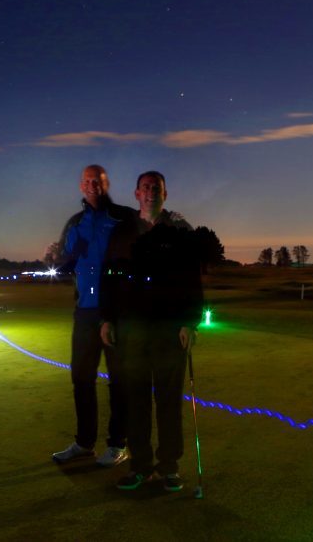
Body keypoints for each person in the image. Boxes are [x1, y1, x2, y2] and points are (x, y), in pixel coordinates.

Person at [100, 170, 204, 491]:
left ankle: (169, 466)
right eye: (145, 188)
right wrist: (107, 318)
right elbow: (109, 278)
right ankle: (141, 466)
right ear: (136, 194)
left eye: (156, 188)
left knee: (169, 401)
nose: (150, 193)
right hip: (132, 328)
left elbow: (191, 280)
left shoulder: (180, 234)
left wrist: (191, 320)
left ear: (165, 194)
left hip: (169, 328)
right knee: (137, 401)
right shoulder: (121, 233)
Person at [51, 164, 137, 467]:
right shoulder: (75, 222)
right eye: (87, 181)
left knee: (119, 380)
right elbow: (65, 262)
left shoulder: (124, 217)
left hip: (115, 311)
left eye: (97, 181)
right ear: (81, 186)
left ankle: (118, 444)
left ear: (106, 183)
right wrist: (58, 259)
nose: (92, 186)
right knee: (82, 379)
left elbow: (136, 256)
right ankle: (85, 442)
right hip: (85, 312)